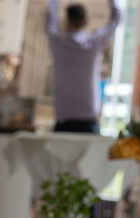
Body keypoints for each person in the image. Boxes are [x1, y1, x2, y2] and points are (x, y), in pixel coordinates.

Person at [46, 0, 122, 134]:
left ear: (67, 22)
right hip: (88, 122)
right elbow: (116, 18)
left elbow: (50, 18)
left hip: (63, 123)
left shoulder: (57, 43)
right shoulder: (93, 44)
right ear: (86, 22)